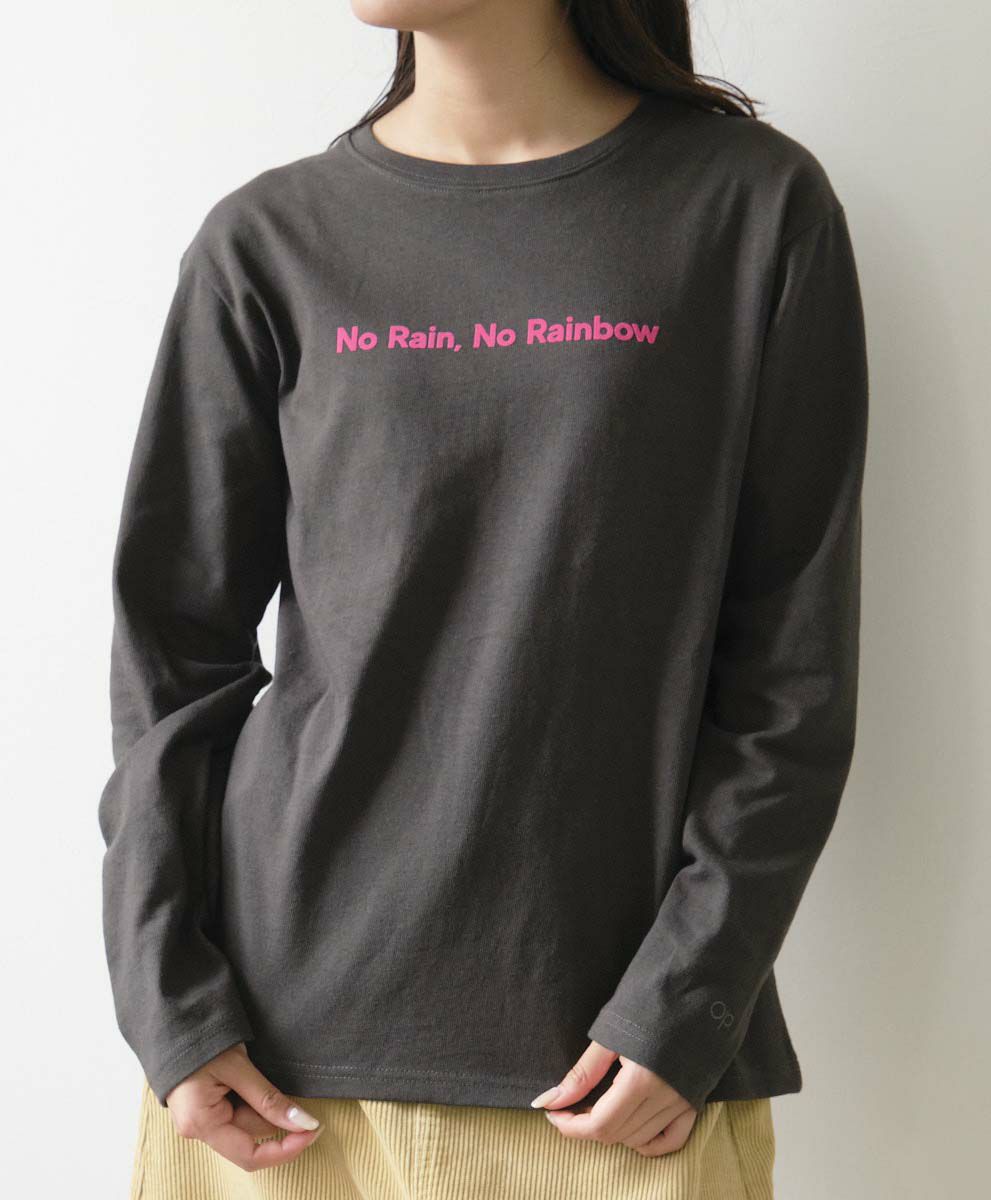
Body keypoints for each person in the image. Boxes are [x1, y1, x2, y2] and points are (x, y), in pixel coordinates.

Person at [99, 1, 869, 1197]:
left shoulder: (748, 207)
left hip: (615, 1084)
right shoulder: (271, 240)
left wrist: (691, 997)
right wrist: (170, 1003)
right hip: (272, 1076)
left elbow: (792, 663)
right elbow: (171, 652)